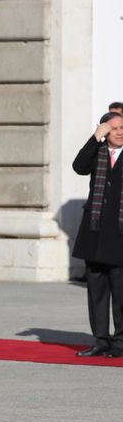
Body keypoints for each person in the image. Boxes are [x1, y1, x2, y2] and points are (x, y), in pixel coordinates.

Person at [72, 111, 123, 357]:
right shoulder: (97, 153)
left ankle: (121, 342)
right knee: (97, 290)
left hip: (120, 234)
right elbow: (79, 166)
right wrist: (95, 138)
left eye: (122, 127)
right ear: (104, 130)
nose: (120, 132)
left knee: (121, 292)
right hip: (95, 233)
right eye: (113, 128)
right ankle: (101, 339)